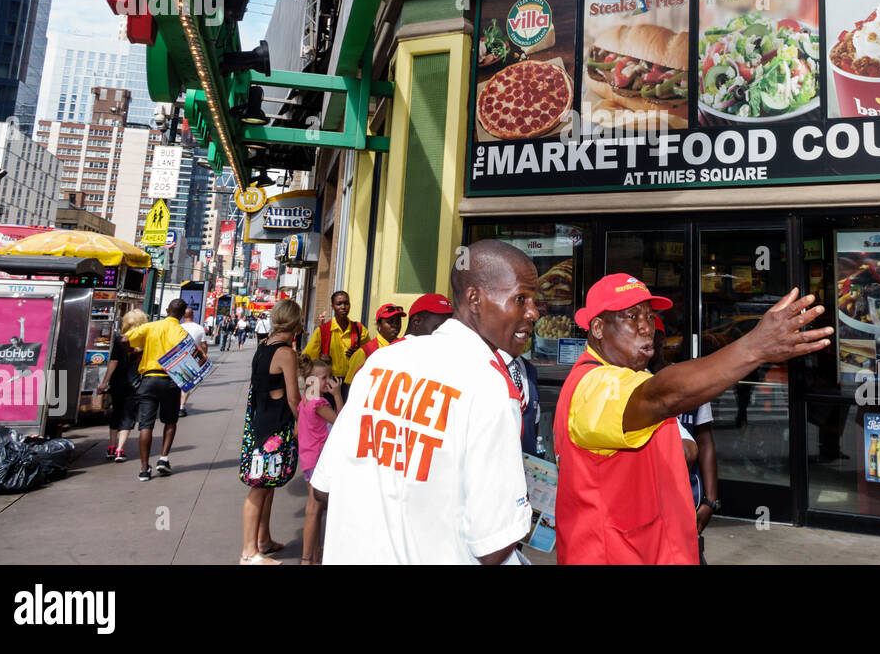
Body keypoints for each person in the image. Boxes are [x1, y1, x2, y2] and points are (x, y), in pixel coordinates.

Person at [555, 274, 833, 565]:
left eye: (650, 317)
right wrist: (753, 348)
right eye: (631, 316)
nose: (645, 327)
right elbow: (662, 396)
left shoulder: (629, 378)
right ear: (598, 327)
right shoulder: (592, 386)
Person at [310, 241, 535, 563]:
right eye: (521, 298)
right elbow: (493, 545)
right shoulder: (488, 386)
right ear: (475, 298)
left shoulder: (382, 363)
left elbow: (324, 488)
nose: (534, 311)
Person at [239, 300, 303, 565]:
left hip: (259, 422)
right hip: (275, 428)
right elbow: (292, 398)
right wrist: (304, 422)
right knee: (259, 487)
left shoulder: (263, 346)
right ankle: (248, 553)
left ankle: (263, 540)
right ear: (297, 323)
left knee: (268, 485)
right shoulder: (286, 353)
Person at [650, 316, 718, 562]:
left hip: (686, 494)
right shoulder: (630, 382)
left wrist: (711, 499)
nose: (647, 339)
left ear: (662, 339)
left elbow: (705, 439)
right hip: (648, 499)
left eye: (652, 333)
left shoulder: (689, 381)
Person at [126, 300, 189, 482]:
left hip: (149, 379)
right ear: (183, 314)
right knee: (170, 421)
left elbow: (125, 339)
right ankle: (163, 458)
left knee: (146, 425)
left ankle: (144, 469)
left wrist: (133, 354)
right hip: (170, 381)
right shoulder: (181, 332)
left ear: (167, 310)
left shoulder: (150, 327)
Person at [297, 358, 342, 565]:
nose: (328, 381)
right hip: (318, 460)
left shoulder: (306, 399)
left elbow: (299, 428)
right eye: (324, 378)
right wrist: (337, 395)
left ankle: (313, 555)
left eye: (329, 376)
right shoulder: (319, 403)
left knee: (313, 508)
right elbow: (342, 422)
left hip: (308, 458)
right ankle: (310, 558)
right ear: (311, 380)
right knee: (317, 510)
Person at [97, 308, 146, 463]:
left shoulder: (120, 339)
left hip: (117, 382)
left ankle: (111, 446)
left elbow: (113, 362)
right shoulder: (144, 341)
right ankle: (120, 449)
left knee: (116, 412)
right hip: (136, 384)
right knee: (128, 415)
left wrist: (104, 382)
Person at [302, 291, 371, 398]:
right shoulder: (322, 331)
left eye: (346, 303)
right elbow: (307, 358)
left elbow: (370, 354)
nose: (343, 307)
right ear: (333, 307)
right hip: (327, 381)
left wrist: (358, 354)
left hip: (351, 382)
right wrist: (320, 362)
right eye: (339, 304)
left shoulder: (359, 329)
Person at [343, 302, 405, 387]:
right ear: (379, 324)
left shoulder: (403, 346)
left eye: (398, 321)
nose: (395, 325)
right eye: (390, 322)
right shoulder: (364, 352)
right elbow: (350, 385)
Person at [178, 307, 207, 417]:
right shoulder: (199, 328)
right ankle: (181, 407)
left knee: (177, 383)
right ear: (193, 315)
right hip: (192, 359)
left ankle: (175, 405)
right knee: (187, 384)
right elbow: (204, 345)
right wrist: (204, 356)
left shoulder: (178, 327)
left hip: (177, 358)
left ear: (182, 316)